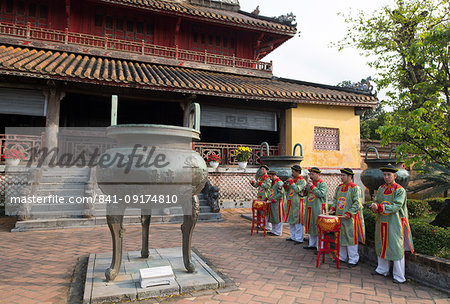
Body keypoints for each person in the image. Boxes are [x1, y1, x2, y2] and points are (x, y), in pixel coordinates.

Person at [370, 164, 414, 284]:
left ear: (394, 175)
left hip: (394, 223)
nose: (386, 177)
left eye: (389, 175)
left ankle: (399, 276)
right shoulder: (381, 188)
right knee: (381, 244)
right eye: (384, 175)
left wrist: (379, 207)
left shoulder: (400, 190)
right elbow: (377, 200)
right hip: (382, 221)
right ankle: (382, 269)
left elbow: (396, 206)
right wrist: (374, 206)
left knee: (396, 247)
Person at [329, 168, 365, 267]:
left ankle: (353, 259)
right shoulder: (339, 187)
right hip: (340, 217)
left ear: (350, 176)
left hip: (351, 219)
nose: (341, 177)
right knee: (341, 236)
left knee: (351, 238)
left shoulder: (355, 188)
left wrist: (349, 213)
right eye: (341, 175)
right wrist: (332, 208)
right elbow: (336, 200)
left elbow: (357, 203)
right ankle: (342, 257)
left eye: (343, 175)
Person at [303, 167, 328, 251]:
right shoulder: (310, 183)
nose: (311, 176)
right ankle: (312, 244)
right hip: (310, 207)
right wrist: (305, 188)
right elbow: (304, 194)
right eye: (310, 174)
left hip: (318, 208)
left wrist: (312, 186)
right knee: (311, 225)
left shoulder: (322, 184)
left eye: (312, 174)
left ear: (318, 174)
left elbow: (321, 194)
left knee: (318, 227)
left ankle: (320, 247)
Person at [284, 165, 307, 244]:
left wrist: (291, 182)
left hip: (298, 203)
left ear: (298, 172)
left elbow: (298, 189)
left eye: (293, 172)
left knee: (298, 221)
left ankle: (299, 238)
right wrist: (285, 185)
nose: (292, 173)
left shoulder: (302, 181)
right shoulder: (293, 179)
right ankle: (293, 236)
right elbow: (287, 189)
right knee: (291, 220)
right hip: (291, 202)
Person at [250, 164, 272, 230]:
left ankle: (265, 225)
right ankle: (259, 224)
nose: (261, 171)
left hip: (265, 196)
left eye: (263, 169)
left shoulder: (268, 178)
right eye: (261, 169)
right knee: (259, 211)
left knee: (265, 212)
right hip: (259, 196)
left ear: (266, 170)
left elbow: (268, 186)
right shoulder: (260, 178)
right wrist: (253, 183)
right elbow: (256, 185)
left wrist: (261, 183)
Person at [266, 170, 285, 236]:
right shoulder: (273, 182)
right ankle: (273, 230)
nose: (269, 178)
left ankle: (278, 231)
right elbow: (271, 191)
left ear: (274, 175)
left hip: (277, 202)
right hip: (272, 202)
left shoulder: (279, 183)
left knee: (278, 216)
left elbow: (281, 193)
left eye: (270, 176)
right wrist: (267, 197)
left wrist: (274, 199)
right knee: (273, 216)